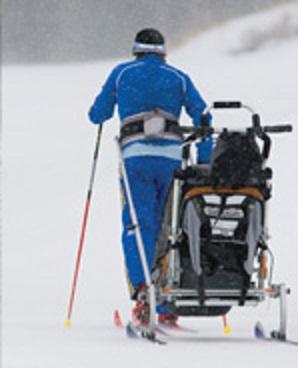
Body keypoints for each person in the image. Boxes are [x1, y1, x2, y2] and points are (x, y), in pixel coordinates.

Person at [88, 28, 212, 325]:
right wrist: (205, 157)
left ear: (136, 50)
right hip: (171, 160)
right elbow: (204, 115)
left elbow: (97, 114)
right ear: (162, 52)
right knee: (170, 228)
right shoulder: (178, 77)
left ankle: (144, 293)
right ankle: (167, 304)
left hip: (136, 159)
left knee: (138, 224)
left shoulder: (122, 73)